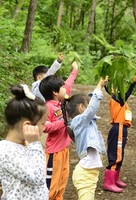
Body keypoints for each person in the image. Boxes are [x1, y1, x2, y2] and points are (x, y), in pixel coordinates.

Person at [61, 76, 108, 199]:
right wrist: (98, 87)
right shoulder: (79, 121)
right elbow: (92, 109)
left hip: (89, 173)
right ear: (82, 107)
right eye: (87, 105)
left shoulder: (82, 123)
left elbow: (90, 109)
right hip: (85, 173)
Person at [0, 84, 48, 199]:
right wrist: (35, 144)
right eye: (43, 123)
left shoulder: (26, 144)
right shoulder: (7, 151)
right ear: (27, 125)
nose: (44, 128)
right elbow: (37, 178)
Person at [39, 61, 79, 200]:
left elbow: (69, 83)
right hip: (54, 152)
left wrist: (75, 70)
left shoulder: (62, 102)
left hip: (64, 149)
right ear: (55, 92)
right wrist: (63, 122)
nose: (66, 89)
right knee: (51, 184)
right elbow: (45, 127)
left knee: (63, 180)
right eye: (62, 88)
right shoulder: (48, 107)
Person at [103, 69, 136, 193]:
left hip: (122, 128)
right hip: (118, 127)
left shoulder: (121, 100)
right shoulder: (116, 98)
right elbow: (127, 93)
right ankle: (108, 182)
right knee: (115, 155)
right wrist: (134, 79)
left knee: (120, 153)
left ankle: (115, 178)